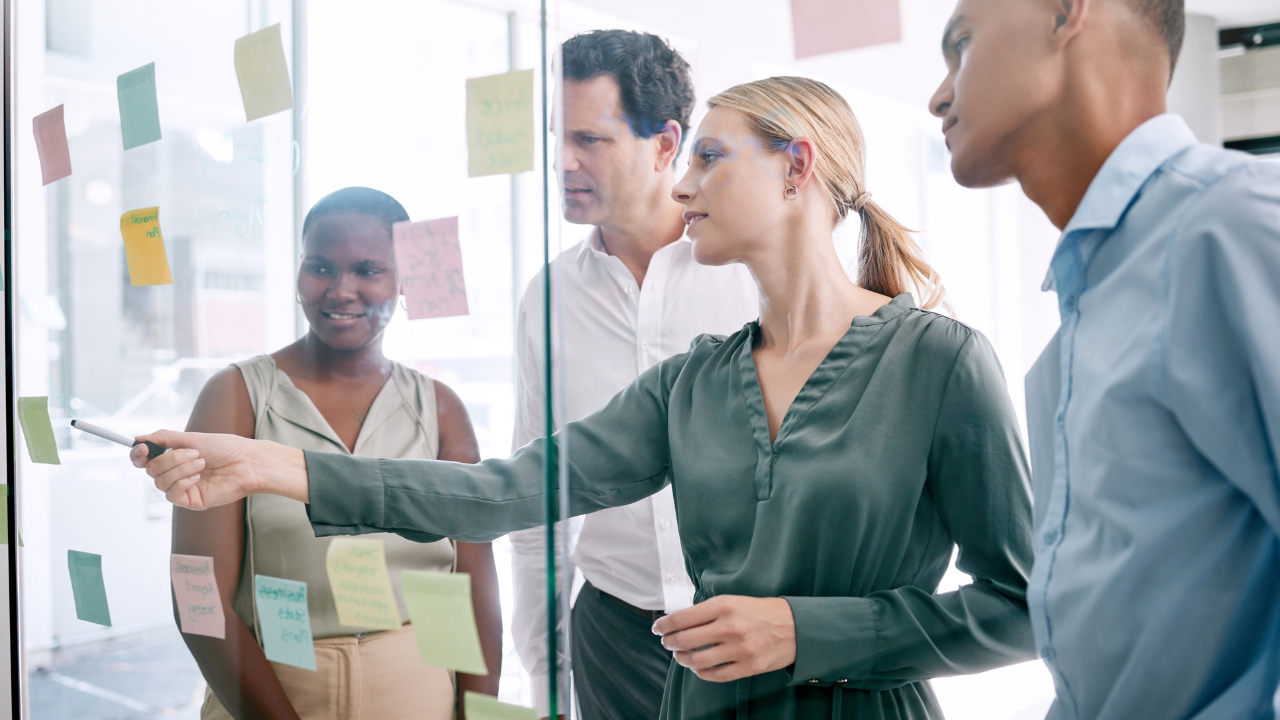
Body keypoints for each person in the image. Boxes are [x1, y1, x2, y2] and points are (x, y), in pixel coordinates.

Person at [138, 77, 1038, 720]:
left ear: (796, 167)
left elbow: (1025, 605)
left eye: (710, 159)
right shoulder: (692, 383)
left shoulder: (939, 364)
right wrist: (272, 464)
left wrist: (807, 632)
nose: (681, 187)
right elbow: (500, 493)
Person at [928, 0, 1280, 718]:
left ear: (1066, 13)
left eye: (962, 44)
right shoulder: (1090, 291)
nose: (939, 94)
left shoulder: (1228, 224)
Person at [172, 187, 503, 720]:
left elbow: (474, 585)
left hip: (417, 689)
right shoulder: (236, 397)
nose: (341, 290)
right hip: (271, 688)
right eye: (320, 267)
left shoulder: (440, 409)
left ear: (404, 280)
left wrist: (477, 711)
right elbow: (197, 601)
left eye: (369, 270)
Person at [510, 29, 757, 720]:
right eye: (559, 134)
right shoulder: (548, 298)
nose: (563, 161)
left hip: (753, 631)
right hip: (613, 638)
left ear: (665, 144)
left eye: (591, 139)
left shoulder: (753, 271)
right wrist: (545, 675)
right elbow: (539, 501)